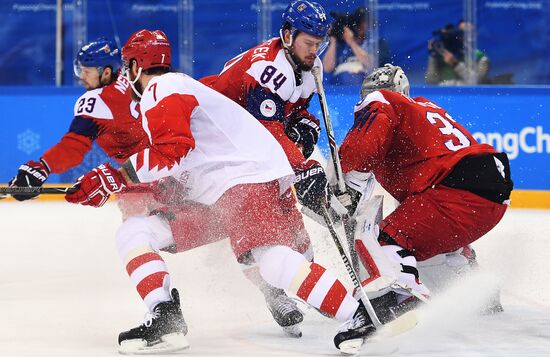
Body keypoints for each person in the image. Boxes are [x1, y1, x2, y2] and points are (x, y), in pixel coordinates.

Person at [64, 29, 376, 354]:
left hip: (245, 184)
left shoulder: (162, 88)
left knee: (270, 261)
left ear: (132, 67)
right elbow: (177, 165)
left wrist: (112, 176)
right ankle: (165, 319)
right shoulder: (174, 90)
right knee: (135, 232)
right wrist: (118, 182)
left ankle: (358, 315)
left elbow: (173, 150)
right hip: (227, 194)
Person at [334, 63, 513, 344]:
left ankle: (399, 296)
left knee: (385, 236)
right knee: (419, 237)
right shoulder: (426, 111)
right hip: (489, 190)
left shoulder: (384, 101)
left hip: (456, 190)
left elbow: (360, 152)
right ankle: (475, 289)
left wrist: (341, 175)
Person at [200, 0, 336, 333]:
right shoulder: (270, 69)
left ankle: (301, 275)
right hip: (215, 144)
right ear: (287, 35)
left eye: (320, 44)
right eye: (309, 43)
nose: (314, 51)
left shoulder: (304, 65)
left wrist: (306, 124)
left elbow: (288, 114)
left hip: (243, 138)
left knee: (286, 212)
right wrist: (302, 164)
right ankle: (271, 289)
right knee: (253, 215)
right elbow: (269, 128)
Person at [8, 38, 148, 202]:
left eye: (87, 72)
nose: (82, 76)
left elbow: (74, 146)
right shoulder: (133, 78)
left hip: (146, 175)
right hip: (167, 162)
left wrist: (43, 168)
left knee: (139, 223)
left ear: (107, 72)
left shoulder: (98, 100)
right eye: (80, 70)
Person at [322, 7, 391, 85]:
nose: (361, 27)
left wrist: (351, 42)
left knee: (356, 78)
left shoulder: (377, 43)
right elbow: (327, 68)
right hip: (340, 84)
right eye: (358, 23)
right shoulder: (340, 43)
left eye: (365, 23)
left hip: (366, 81)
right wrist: (333, 39)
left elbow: (371, 64)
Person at [425, 20, 490, 85]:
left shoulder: (480, 58)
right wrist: (433, 56)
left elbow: (476, 82)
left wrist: (455, 64)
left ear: (475, 35)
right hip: (444, 94)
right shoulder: (440, 56)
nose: (465, 37)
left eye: (469, 33)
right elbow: (431, 82)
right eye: (462, 32)